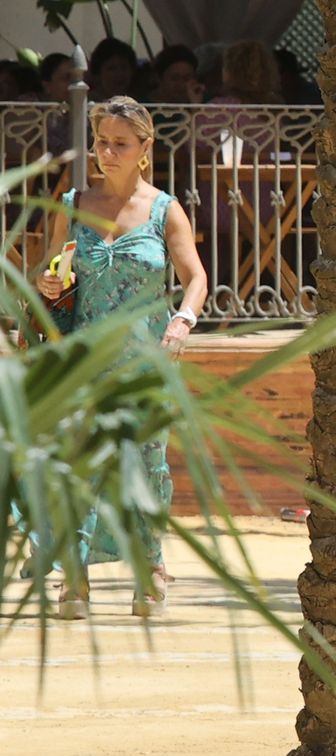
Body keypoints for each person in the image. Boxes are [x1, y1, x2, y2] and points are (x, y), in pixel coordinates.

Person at [33, 97, 208, 619]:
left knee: (147, 465)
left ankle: (148, 567)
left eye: (119, 144)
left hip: (145, 360)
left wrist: (183, 321)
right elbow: (53, 274)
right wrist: (46, 281)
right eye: (100, 141)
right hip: (83, 359)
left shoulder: (164, 208)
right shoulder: (71, 202)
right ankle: (76, 574)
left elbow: (195, 278)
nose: (106, 152)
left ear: (144, 149)